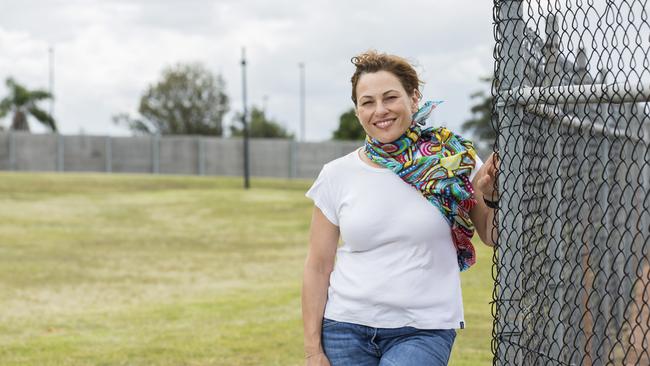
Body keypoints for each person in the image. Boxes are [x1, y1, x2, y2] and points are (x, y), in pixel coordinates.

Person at [302, 50, 499, 366]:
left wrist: (489, 197)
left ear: (414, 97)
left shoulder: (454, 160)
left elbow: (492, 235)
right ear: (357, 111)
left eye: (390, 97)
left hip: (424, 329)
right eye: (367, 102)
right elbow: (318, 266)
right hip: (345, 328)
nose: (379, 110)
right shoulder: (336, 174)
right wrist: (313, 351)